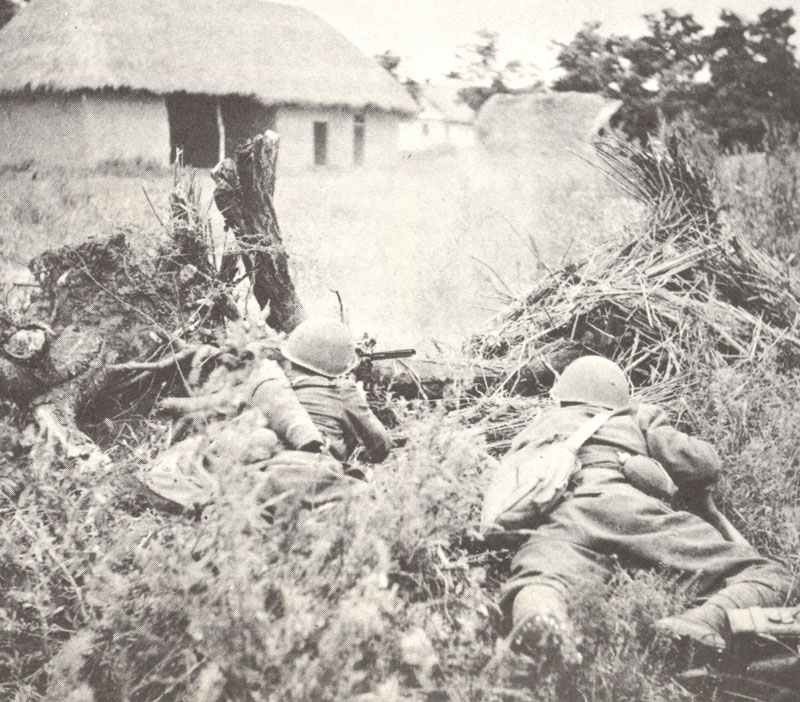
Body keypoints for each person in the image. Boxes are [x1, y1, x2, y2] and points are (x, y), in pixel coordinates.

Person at [499, 355, 793, 662]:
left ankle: (543, 620)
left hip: (566, 518)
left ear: (563, 397)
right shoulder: (634, 416)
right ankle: (702, 622)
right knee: (765, 573)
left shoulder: (538, 427)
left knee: (541, 577)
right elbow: (703, 465)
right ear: (618, 397)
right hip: (633, 513)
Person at [272, 317, 392, 464]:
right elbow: (381, 446)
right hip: (323, 475)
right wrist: (357, 399)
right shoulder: (342, 391)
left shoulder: (274, 386)